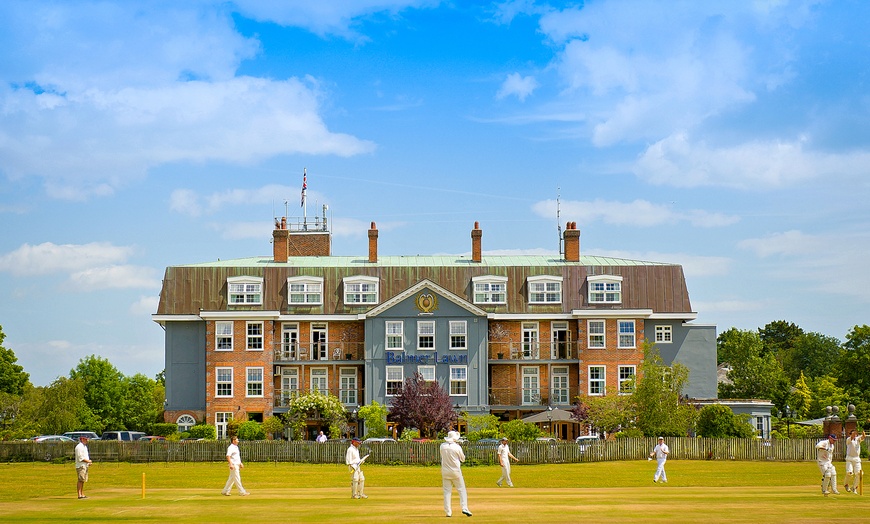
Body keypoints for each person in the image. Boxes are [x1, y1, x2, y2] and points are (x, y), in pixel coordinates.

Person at [440, 430, 472, 517]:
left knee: (447, 491)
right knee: (461, 490)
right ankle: (464, 507)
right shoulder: (457, 447)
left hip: (445, 471)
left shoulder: (442, 446)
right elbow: (463, 459)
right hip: (455, 472)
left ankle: (448, 512)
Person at [844, 429, 865, 494]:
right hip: (849, 459)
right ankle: (846, 484)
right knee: (849, 473)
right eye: (853, 434)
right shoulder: (848, 439)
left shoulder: (858, 439)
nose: (854, 435)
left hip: (857, 459)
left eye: (855, 434)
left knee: (859, 474)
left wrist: (863, 433)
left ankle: (854, 487)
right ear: (850, 434)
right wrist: (853, 434)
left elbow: (863, 437)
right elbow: (852, 437)